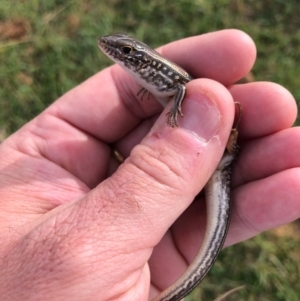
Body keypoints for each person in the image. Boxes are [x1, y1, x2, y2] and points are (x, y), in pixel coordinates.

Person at [0, 29, 299, 300]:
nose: (115, 50)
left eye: (127, 52)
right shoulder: (150, 75)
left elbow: (183, 88)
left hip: (220, 160)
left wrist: (180, 114)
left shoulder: (164, 75)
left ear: (142, 61)